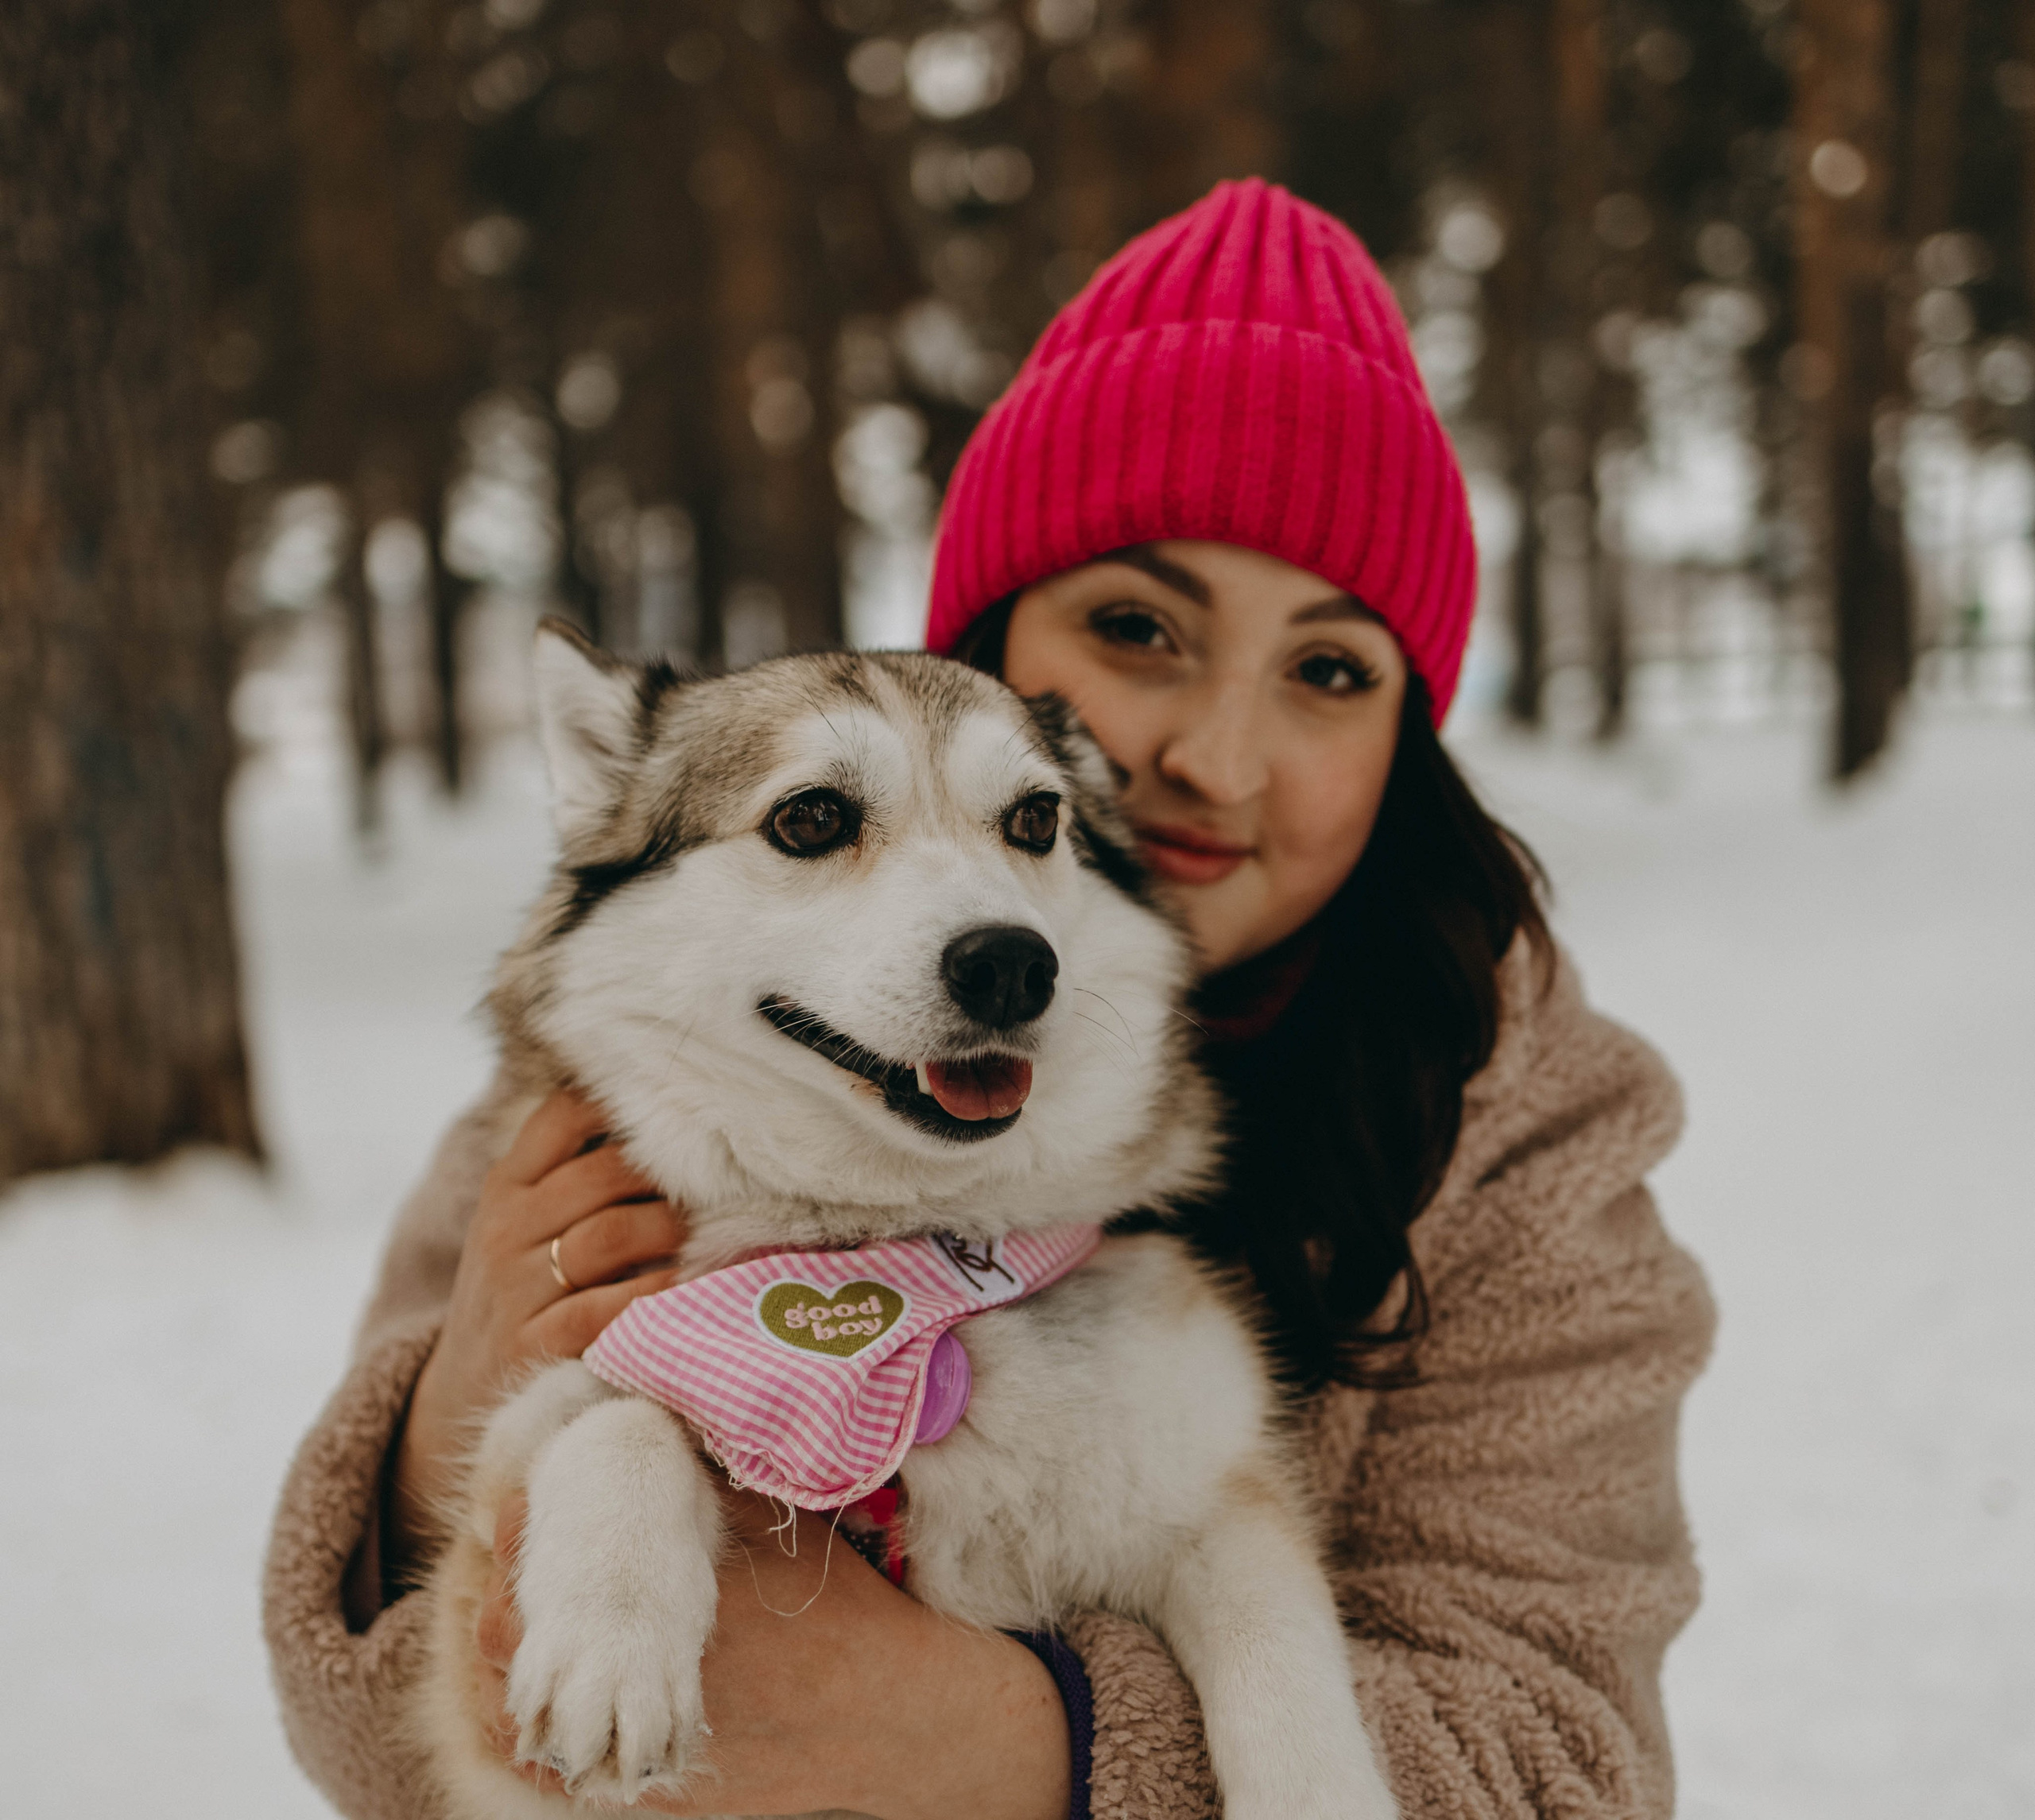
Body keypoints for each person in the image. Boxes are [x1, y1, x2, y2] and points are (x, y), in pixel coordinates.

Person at [265, 179, 1713, 1820]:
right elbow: (370, 1741)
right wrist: (459, 1423)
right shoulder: (601, 1103)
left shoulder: (1532, 1142)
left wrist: (1023, 1742)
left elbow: (1562, 1758)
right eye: (1133, 626)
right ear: (984, 640)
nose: (1210, 758)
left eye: (1326, 669)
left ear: (1409, 735)